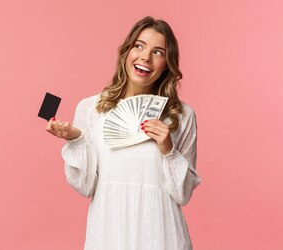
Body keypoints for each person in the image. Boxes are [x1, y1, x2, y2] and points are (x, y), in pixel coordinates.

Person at [45, 16, 201, 250]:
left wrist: (168, 149)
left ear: (168, 63)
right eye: (139, 46)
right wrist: (76, 139)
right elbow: (87, 186)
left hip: (162, 233)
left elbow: (183, 194)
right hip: (110, 230)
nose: (145, 57)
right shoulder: (91, 109)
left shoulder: (181, 115)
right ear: (126, 52)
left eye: (158, 52)